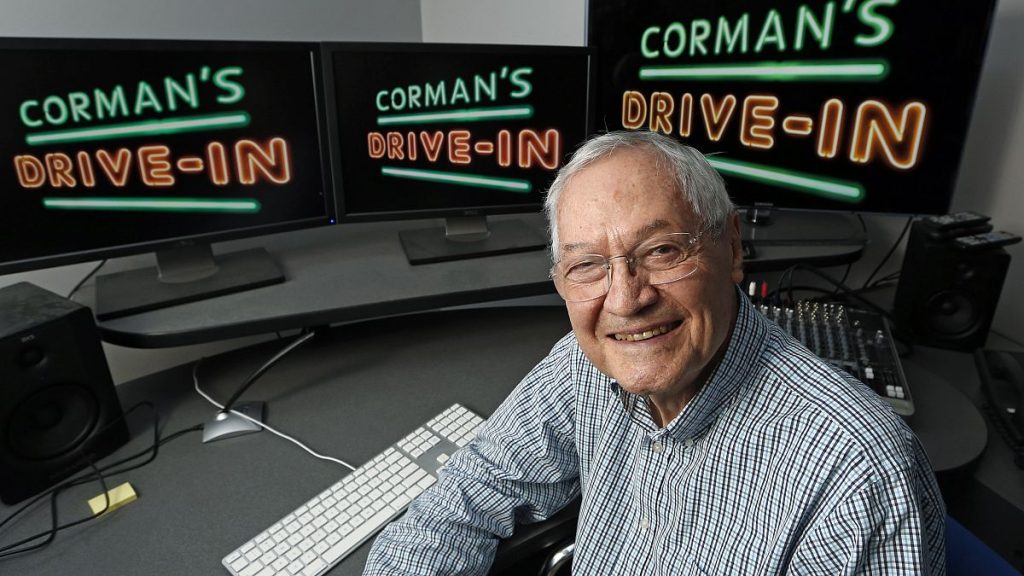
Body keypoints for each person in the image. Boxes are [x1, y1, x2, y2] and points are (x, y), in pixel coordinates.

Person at [364, 130, 946, 574]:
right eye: (587, 265)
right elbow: (462, 500)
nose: (625, 300)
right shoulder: (583, 365)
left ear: (733, 248)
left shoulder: (860, 473)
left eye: (663, 250)